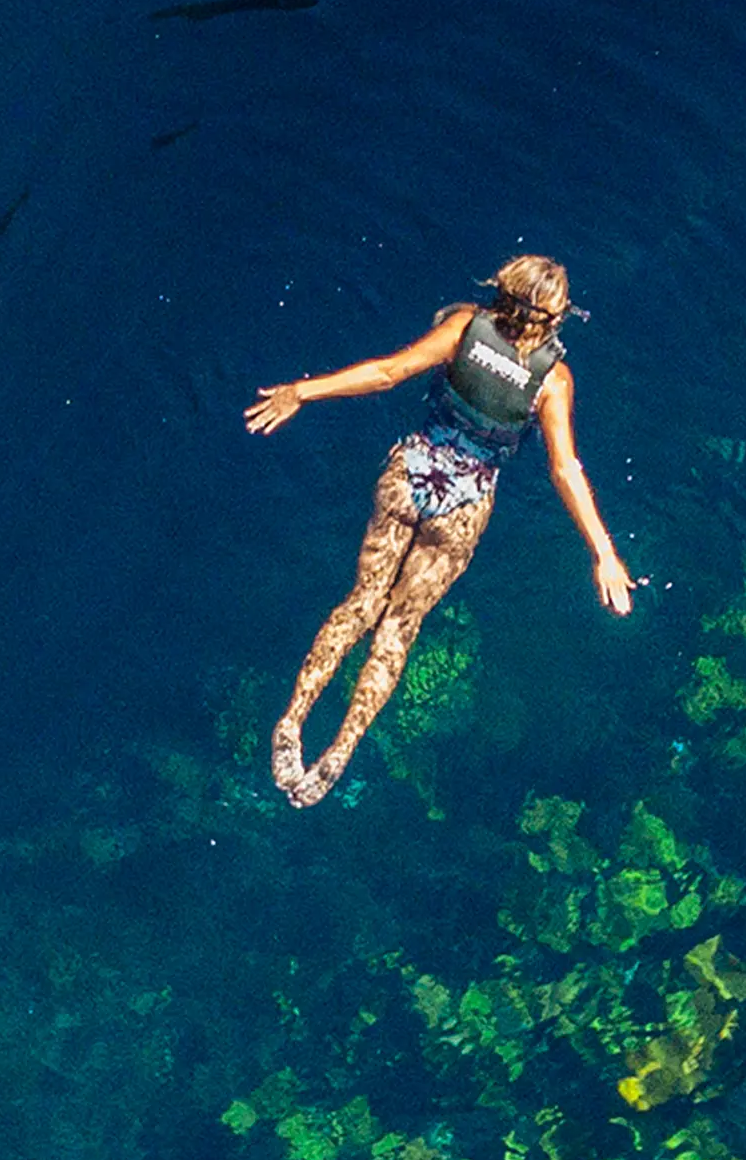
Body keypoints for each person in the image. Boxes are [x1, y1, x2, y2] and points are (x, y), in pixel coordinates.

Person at [250, 253, 635, 805]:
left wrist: (301, 392)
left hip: (411, 476)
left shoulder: (464, 328)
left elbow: (388, 372)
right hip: (464, 504)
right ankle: (338, 752)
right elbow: (564, 467)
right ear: (555, 318)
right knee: (399, 626)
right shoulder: (553, 379)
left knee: (361, 603)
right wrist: (603, 550)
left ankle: (290, 723)